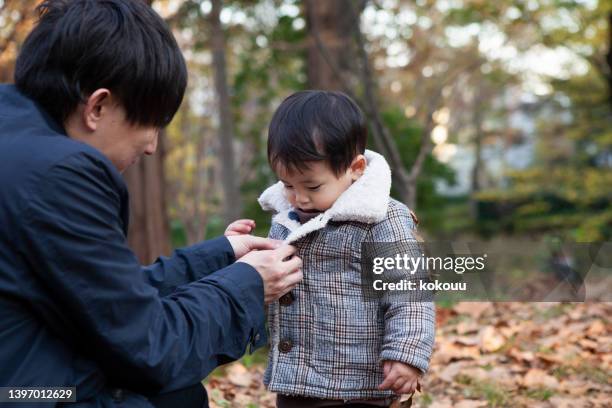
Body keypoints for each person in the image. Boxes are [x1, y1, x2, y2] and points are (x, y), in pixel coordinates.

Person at [0, 1, 302, 407]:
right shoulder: (58, 173)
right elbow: (150, 347)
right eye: (152, 125)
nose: (151, 147)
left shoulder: (16, 139)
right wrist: (248, 283)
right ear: (98, 106)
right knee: (172, 396)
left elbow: (103, 301)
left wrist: (221, 255)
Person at [226, 91, 436, 407]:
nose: (299, 198)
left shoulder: (382, 218)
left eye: (312, 186)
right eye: (287, 184)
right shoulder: (285, 219)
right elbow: (271, 279)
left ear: (356, 168)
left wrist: (406, 354)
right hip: (296, 377)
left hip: (359, 384)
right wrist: (241, 257)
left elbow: (410, 294)